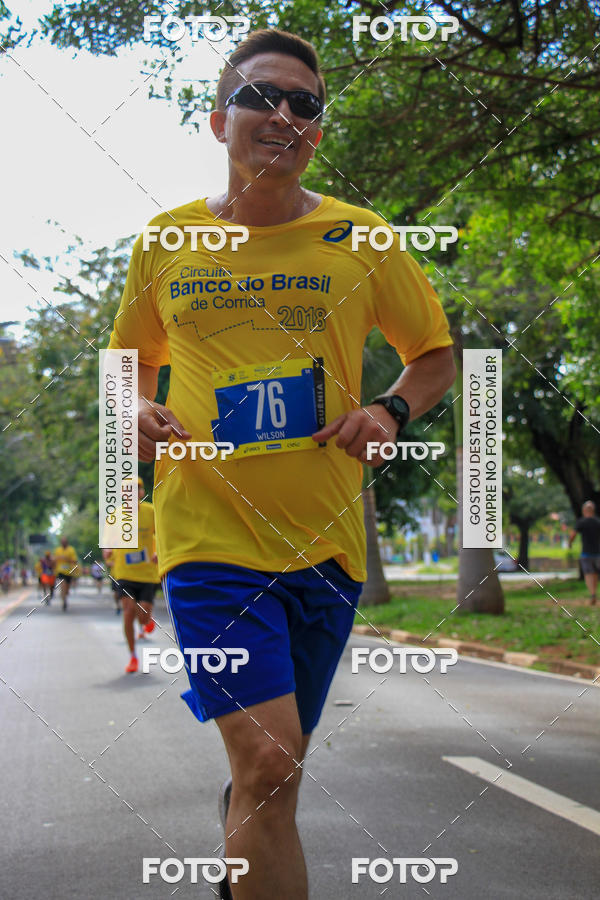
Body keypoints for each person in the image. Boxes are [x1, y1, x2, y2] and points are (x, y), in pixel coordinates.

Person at [108, 28, 455, 899]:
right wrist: (136, 411)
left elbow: (436, 353)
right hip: (207, 540)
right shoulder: (166, 241)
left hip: (325, 546)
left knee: (275, 775)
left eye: (305, 105)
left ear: (317, 133)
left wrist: (389, 408)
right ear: (218, 118)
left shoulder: (362, 238)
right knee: (269, 758)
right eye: (264, 97)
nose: (285, 115)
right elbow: (126, 373)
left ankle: (242, 853)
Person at [103, 477, 158, 673]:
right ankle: (133, 657)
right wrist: (108, 551)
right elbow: (107, 542)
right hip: (123, 571)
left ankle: (146, 620)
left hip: (148, 573)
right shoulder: (114, 516)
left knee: (142, 616)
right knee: (127, 611)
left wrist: (157, 551)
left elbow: (162, 535)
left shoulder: (152, 512)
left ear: (142, 492)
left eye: (135, 489)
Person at [569, 500, 600, 605]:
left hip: (586, 553)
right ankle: (594, 592)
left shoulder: (582, 522)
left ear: (584, 510)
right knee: (595, 574)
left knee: (588, 574)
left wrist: (570, 543)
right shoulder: (597, 521)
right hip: (597, 553)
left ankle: (592, 594)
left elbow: (573, 534)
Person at [53, 537, 79, 611]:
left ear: (67, 542)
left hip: (69, 572)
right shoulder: (58, 550)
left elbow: (75, 561)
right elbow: (54, 560)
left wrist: (66, 559)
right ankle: (63, 600)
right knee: (62, 585)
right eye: (62, 542)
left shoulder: (71, 550)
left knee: (66, 589)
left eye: (65, 542)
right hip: (60, 571)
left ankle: (65, 596)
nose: (63, 543)